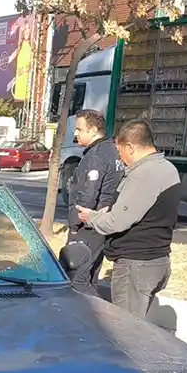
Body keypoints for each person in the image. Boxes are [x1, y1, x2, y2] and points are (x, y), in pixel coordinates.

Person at [78, 119, 181, 319]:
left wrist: (91, 217)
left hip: (136, 265)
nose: (120, 157)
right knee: (140, 327)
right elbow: (145, 211)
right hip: (157, 261)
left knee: (126, 332)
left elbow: (118, 222)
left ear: (131, 147)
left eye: (120, 151)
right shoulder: (167, 169)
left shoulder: (143, 174)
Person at [65, 109, 123, 296]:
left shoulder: (95, 156)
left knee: (76, 279)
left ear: (93, 130)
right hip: (101, 223)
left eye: (79, 129)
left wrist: (74, 225)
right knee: (91, 276)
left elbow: (87, 197)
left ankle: (89, 319)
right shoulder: (113, 151)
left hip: (87, 226)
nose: (75, 134)